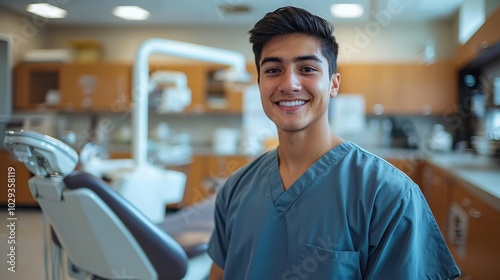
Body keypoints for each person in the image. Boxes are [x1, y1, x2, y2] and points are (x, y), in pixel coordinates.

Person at [207, 6, 460, 280]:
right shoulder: (236, 189)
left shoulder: (388, 195)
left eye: (307, 68)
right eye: (273, 70)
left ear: (334, 84)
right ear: (259, 84)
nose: (289, 84)